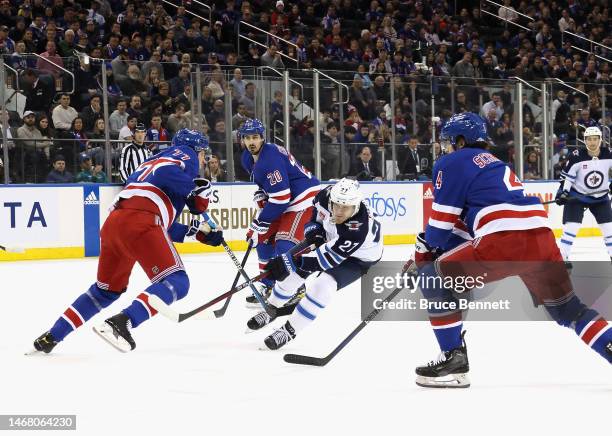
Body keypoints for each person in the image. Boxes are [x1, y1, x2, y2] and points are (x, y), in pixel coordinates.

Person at [413, 113, 611, 388]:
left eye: (448, 142)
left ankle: (452, 360)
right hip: (541, 238)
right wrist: (433, 250)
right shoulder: (496, 164)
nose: (445, 148)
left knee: (432, 279)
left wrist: (422, 256)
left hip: (504, 241)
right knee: (570, 311)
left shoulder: (451, 162)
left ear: (460, 140)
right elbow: (460, 228)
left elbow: (439, 230)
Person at [31, 129, 223, 354]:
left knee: (105, 291)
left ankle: (53, 335)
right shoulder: (185, 154)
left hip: (116, 223)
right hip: (142, 222)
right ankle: (123, 321)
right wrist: (195, 191)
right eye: (203, 154)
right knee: (178, 282)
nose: (202, 159)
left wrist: (199, 234)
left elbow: (162, 223)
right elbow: (177, 187)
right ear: (196, 150)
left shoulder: (150, 162)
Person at [247, 178, 383, 349]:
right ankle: (271, 309)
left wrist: (291, 262)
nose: (339, 212)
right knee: (294, 272)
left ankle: (290, 330)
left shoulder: (358, 228)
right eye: (336, 205)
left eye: (345, 208)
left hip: (358, 258)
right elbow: (314, 218)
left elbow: (324, 260)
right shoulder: (325, 196)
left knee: (323, 285)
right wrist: (315, 232)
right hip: (333, 239)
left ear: (355, 206)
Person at [240, 118, 321, 307]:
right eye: (247, 138)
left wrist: (259, 221)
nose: (251, 142)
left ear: (262, 138)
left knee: (285, 246)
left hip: (303, 201)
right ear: (242, 139)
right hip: (286, 200)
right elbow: (272, 188)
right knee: (263, 238)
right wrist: (263, 193)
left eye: (255, 137)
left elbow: (282, 197)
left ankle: (295, 288)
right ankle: (269, 284)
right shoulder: (247, 157)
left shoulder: (269, 159)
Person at [556, 127, 612, 263]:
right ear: (585, 140)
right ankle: (563, 258)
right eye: (589, 139)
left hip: (601, 197)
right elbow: (567, 178)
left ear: (600, 140)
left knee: (609, 229)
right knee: (571, 227)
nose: (592, 142)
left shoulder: (609, 153)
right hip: (578, 196)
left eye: (595, 139)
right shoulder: (576, 156)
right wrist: (563, 192)